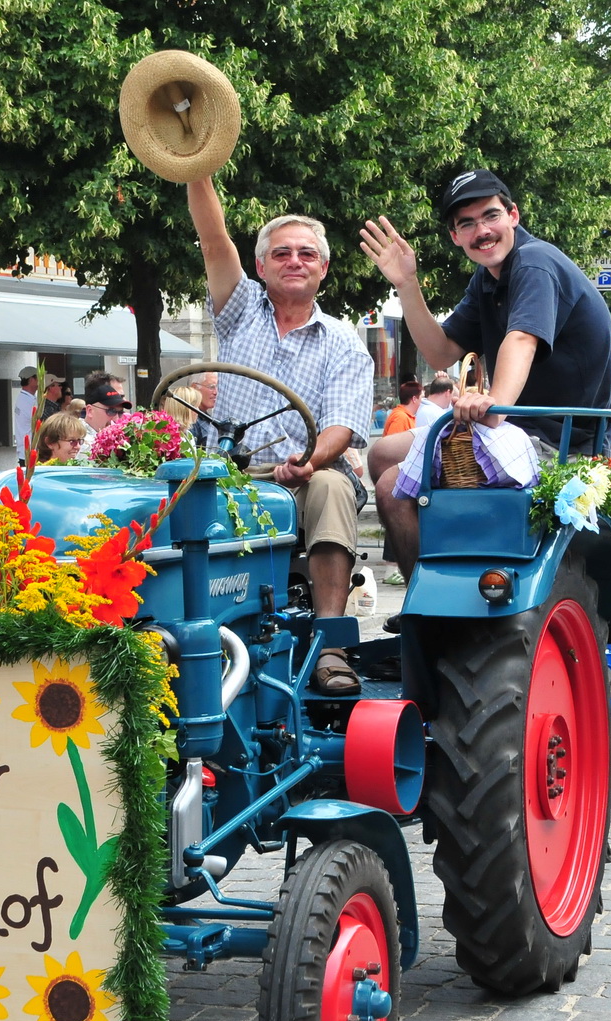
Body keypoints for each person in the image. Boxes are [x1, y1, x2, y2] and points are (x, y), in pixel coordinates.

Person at [359, 168, 611, 577]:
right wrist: (407, 285)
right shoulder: (488, 278)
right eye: (467, 223)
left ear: (513, 215)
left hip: (562, 442)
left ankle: (429, 603)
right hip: (518, 432)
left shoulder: (534, 262)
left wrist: (494, 401)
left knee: (392, 486)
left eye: (491, 216)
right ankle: (437, 567)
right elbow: (441, 351)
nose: (482, 231)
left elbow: (521, 339)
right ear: (455, 236)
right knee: (382, 452)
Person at [187, 176, 373, 694]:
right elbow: (213, 239)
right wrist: (197, 169)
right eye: (282, 252)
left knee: (334, 487)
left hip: (301, 474)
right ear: (262, 266)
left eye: (307, 254)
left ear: (324, 268)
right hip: (227, 469)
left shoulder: (343, 342)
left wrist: (312, 459)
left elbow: (342, 424)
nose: (295, 260)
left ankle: (330, 643)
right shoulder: (241, 308)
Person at [80, 372, 131, 455]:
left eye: (121, 412)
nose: (117, 418)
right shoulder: (76, 441)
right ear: (90, 411)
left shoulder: (123, 438)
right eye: (111, 411)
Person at [12, 366, 41, 461]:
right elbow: (39, 423)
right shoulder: (28, 401)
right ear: (32, 379)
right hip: (30, 453)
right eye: (39, 378)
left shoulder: (24, 398)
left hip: (25, 452)